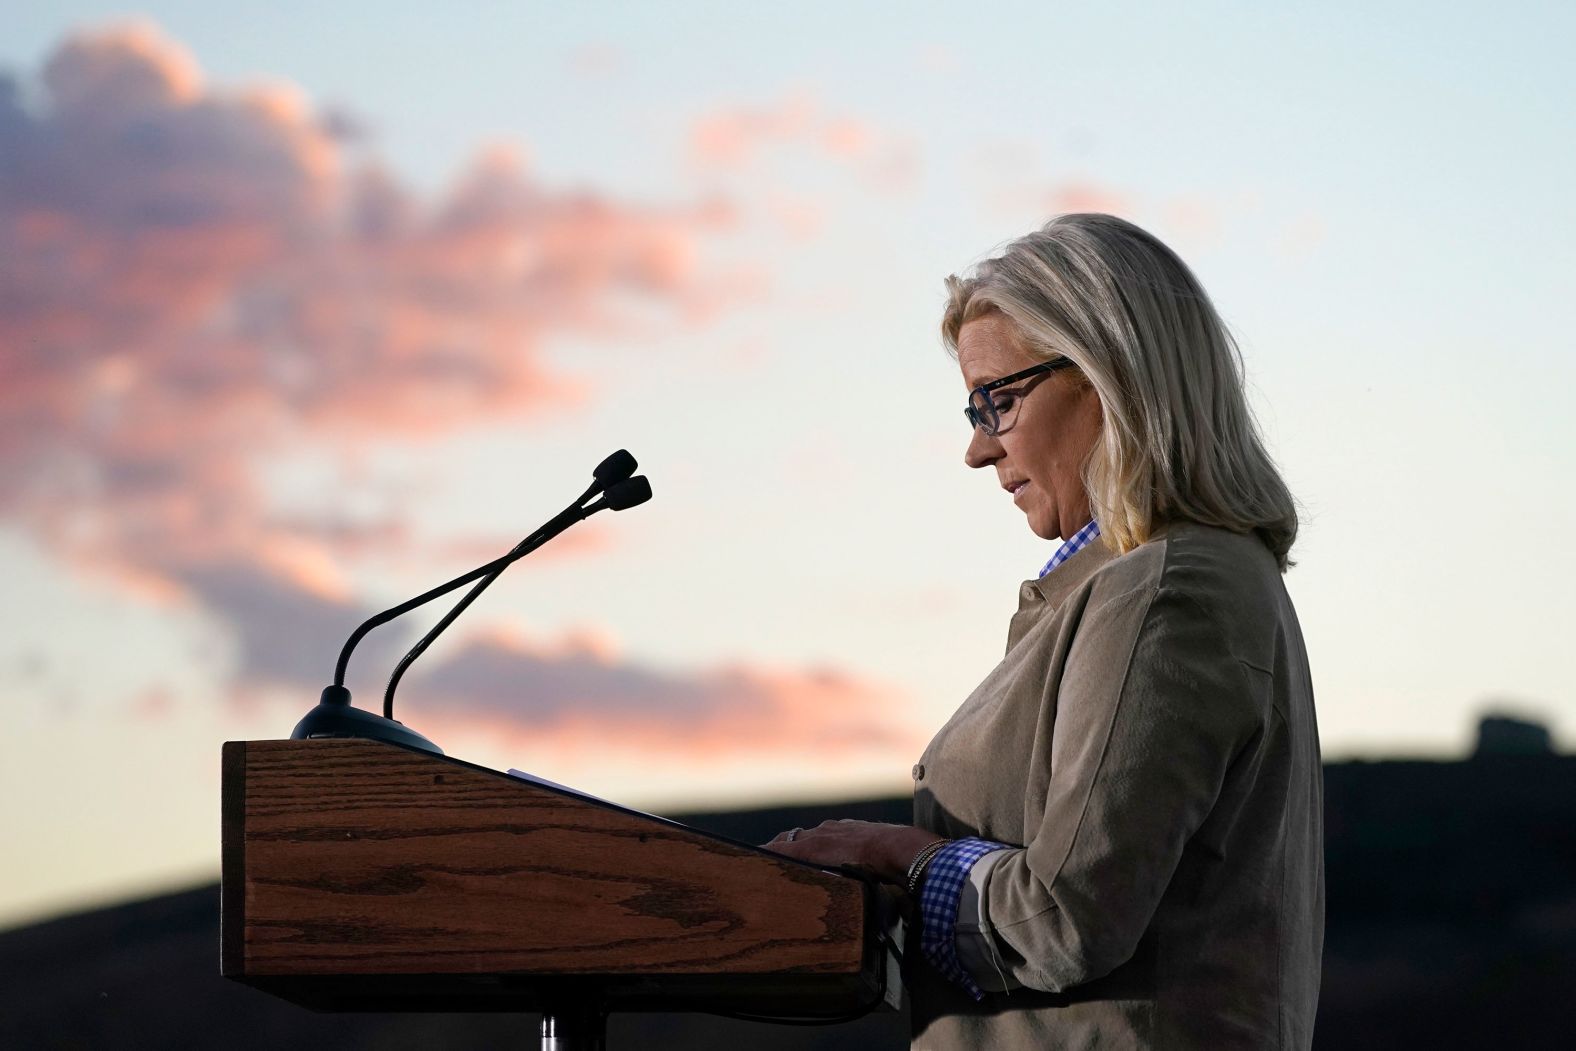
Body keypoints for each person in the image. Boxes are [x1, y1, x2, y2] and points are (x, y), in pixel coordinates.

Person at [766, 213, 1323, 1049]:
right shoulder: (1138, 585)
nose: (978, 449)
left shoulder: (1168, 589)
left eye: (998, 400)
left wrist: (904, 856)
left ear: (1108, 375)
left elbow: (1065, 916)